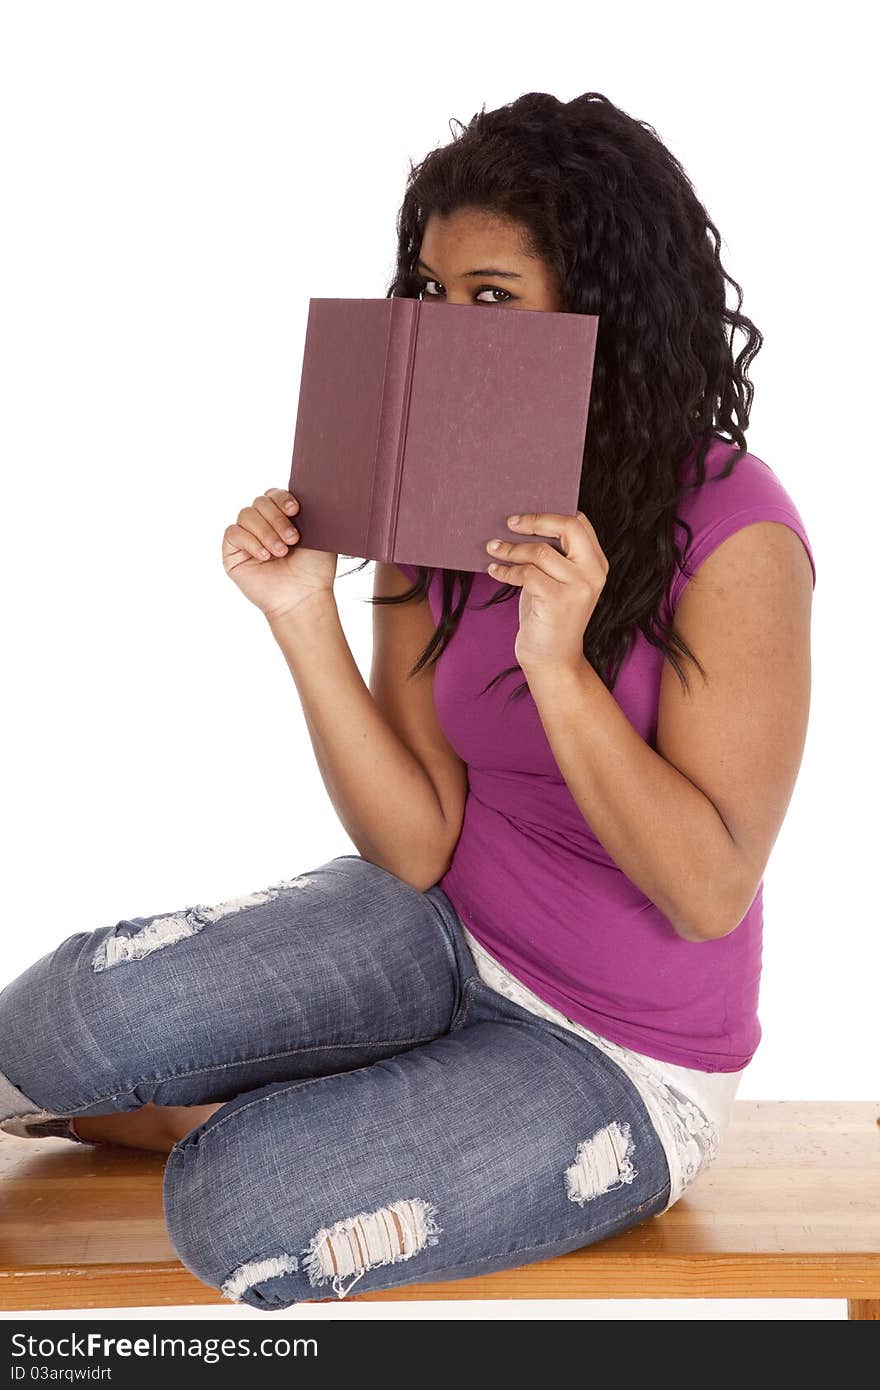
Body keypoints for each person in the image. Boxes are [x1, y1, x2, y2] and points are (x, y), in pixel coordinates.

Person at [0, 90, 816, 1310]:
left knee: (240, 1210)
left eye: (491, 296)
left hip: (620, 1053)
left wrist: (559, 661)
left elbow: (705, 892)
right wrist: (300, 616)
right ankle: (387, 1070)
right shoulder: (440, 490)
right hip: (438, 931)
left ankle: (332, 1103)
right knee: (46, 1034)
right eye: (430, 290)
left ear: (598, 308)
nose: (444, 326)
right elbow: (415, 840)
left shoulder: (734, 523)